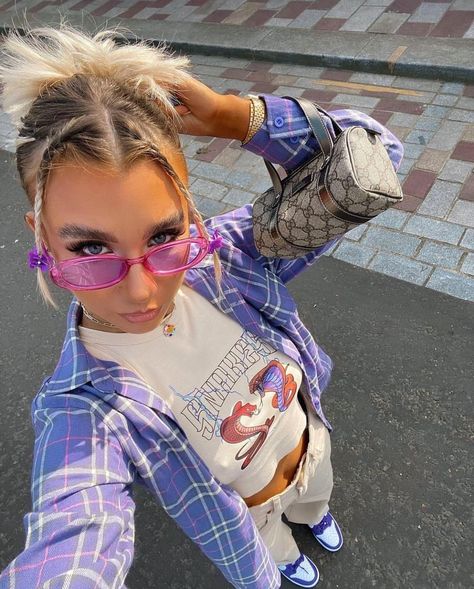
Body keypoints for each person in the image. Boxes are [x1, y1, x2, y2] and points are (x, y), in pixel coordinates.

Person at [0, 25, 403, 589]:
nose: (141, 292)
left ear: (190, 216)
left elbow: (375, 161)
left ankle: (315, 514)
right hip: (251, 512)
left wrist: (232, 117)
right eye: (90, 249)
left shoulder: (228, 256)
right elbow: (74, 538)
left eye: (165, 237)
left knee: (316, 494)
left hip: (312, 440)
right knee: (273, 539)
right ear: (41, 236)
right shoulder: (85, 410)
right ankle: (285, 554)